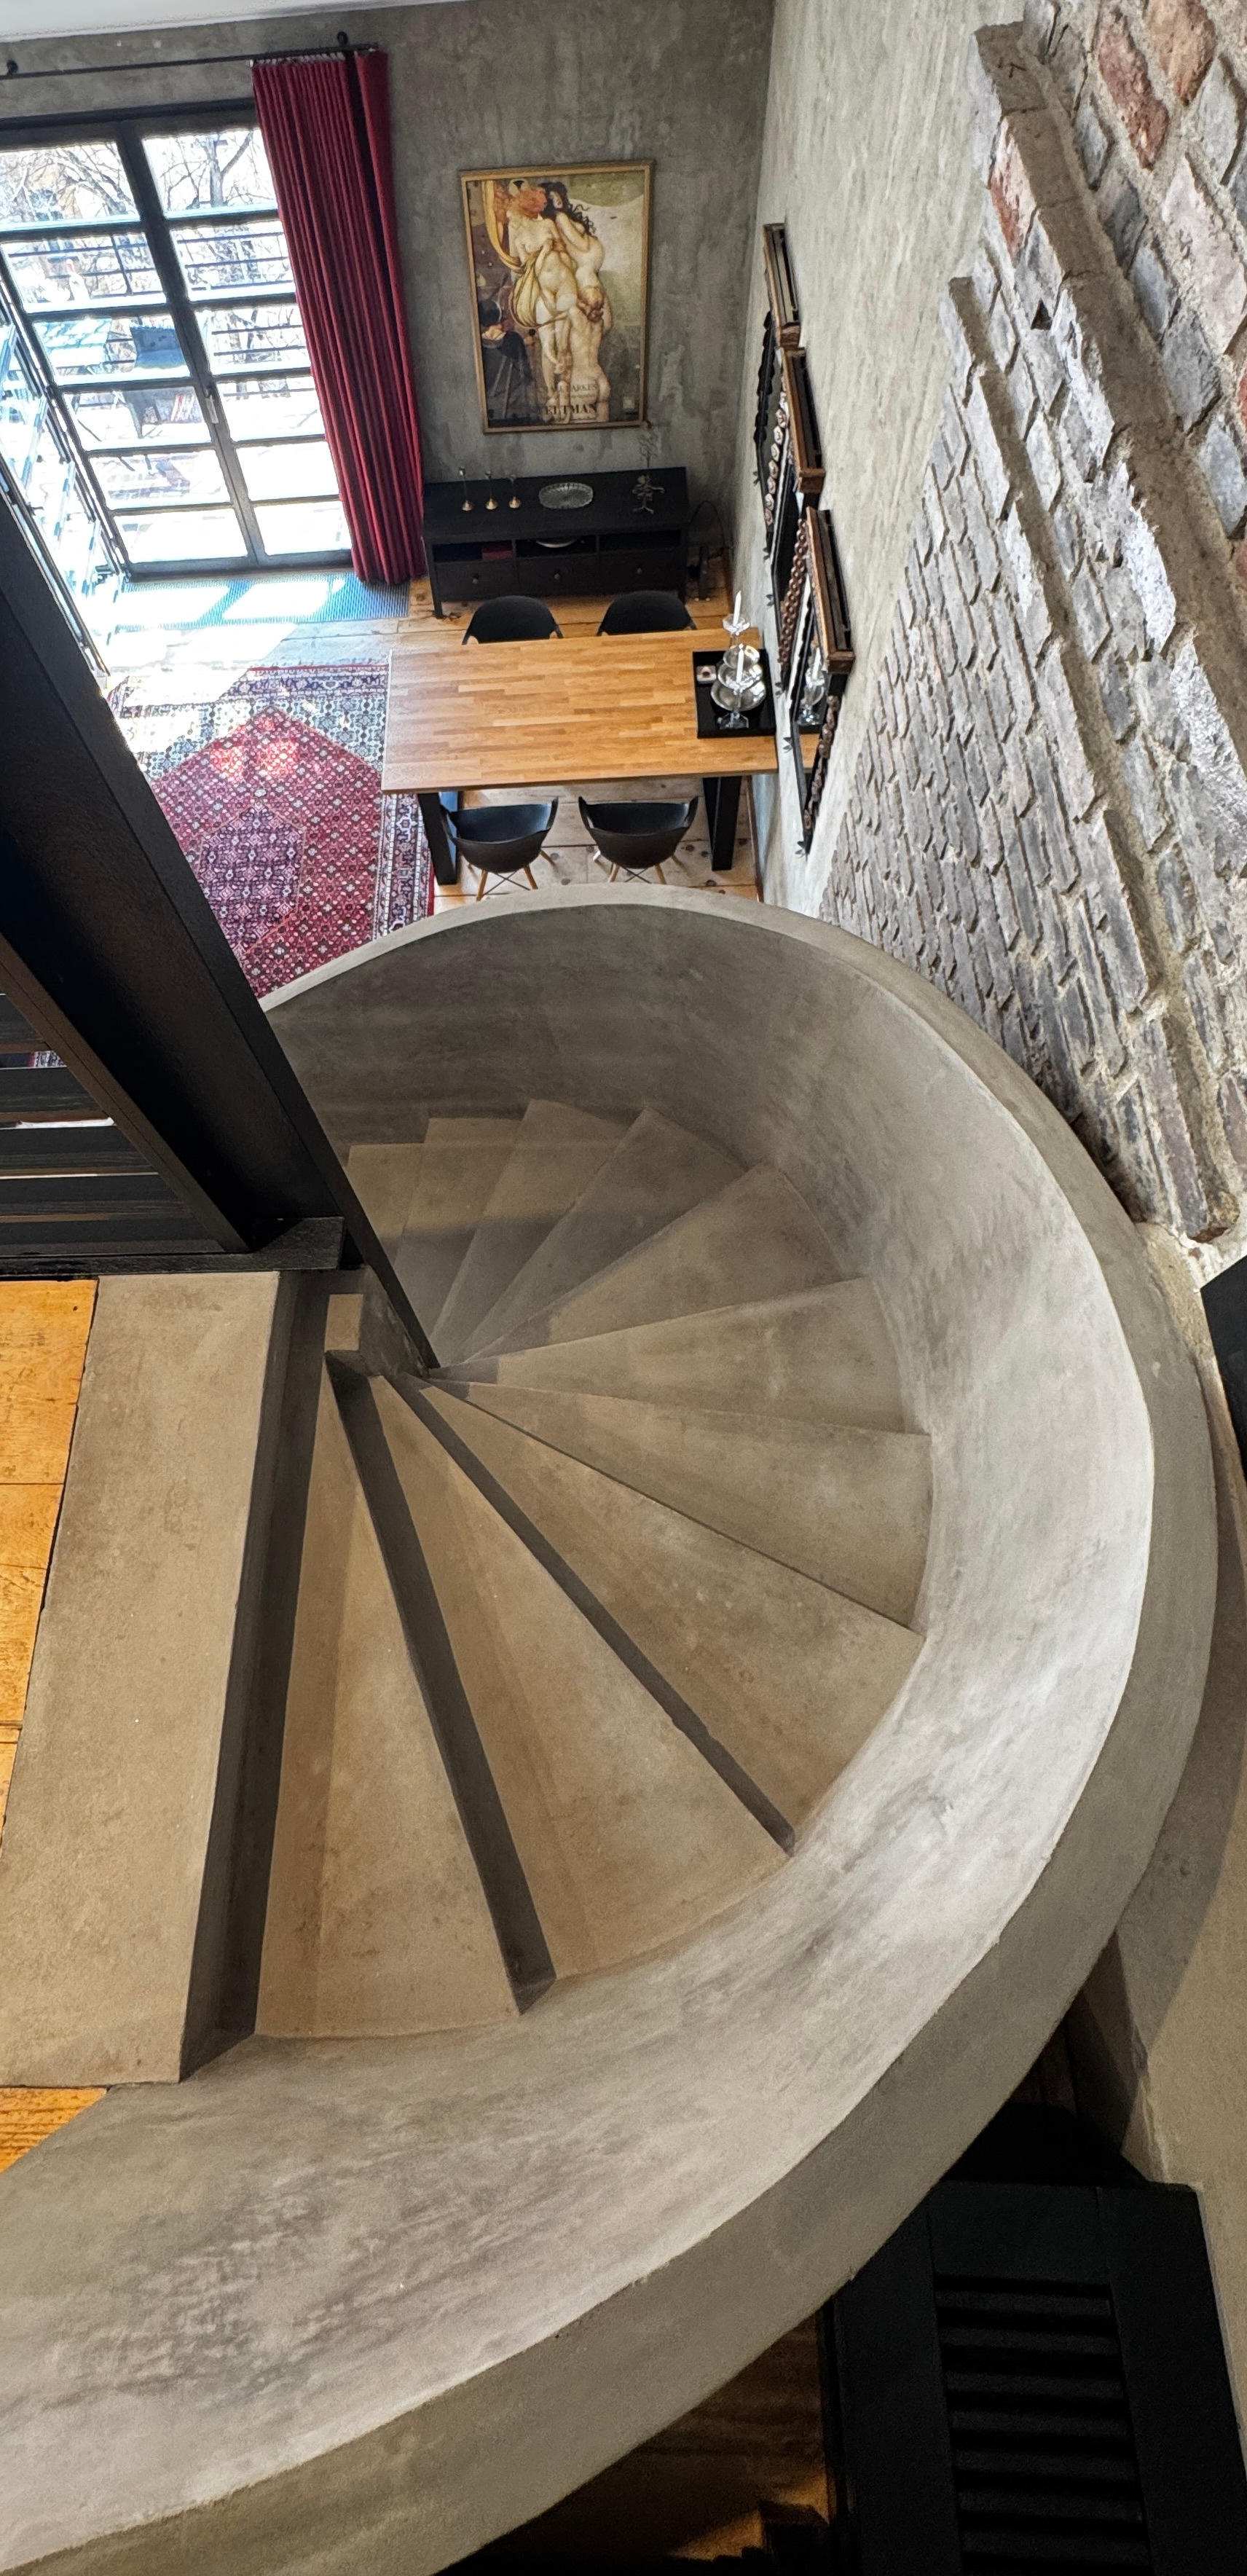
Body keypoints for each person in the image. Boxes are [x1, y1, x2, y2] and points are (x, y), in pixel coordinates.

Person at [485, 177, 613, 425]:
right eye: (509, 217)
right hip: (544, 289)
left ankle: (563, 382)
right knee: (547, 342)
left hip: (563, 281)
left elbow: (566, 254)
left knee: (568, 324)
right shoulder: (519, 238)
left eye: (513, 215)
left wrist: (564, 269)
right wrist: (541, 255)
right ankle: (552, 393)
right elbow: (523, 266)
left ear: (524, 209)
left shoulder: (548, 225)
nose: (511, 220)